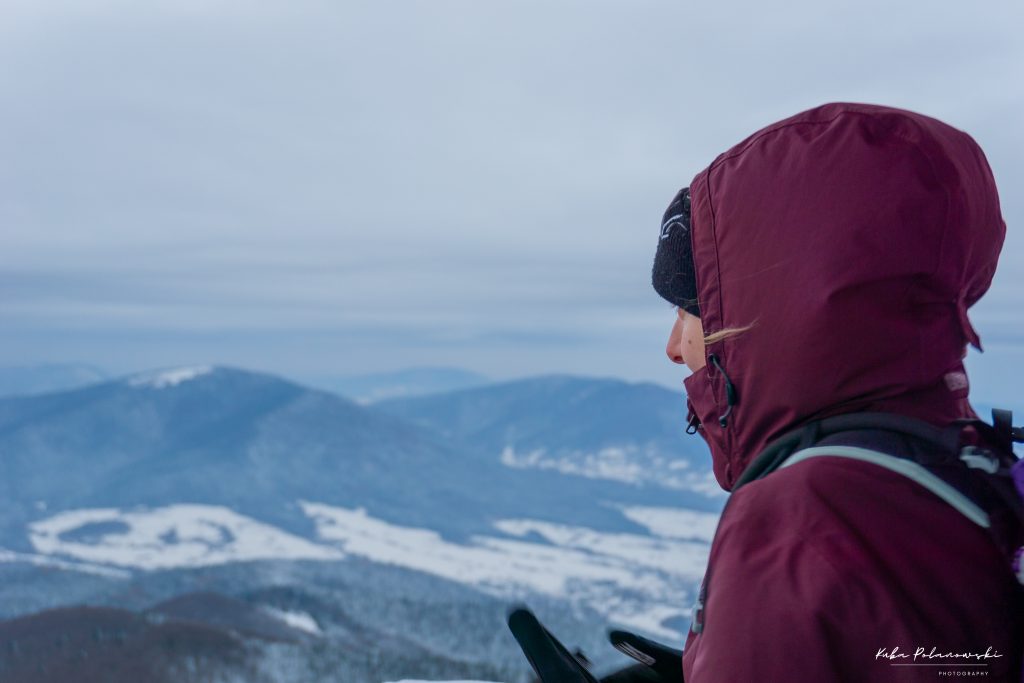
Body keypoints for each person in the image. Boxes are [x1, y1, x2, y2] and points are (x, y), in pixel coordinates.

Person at [652, 102, 1023, 681]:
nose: (675, 346)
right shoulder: (960, 466)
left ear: (767, 308)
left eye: (688, 311)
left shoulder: (800, 526)